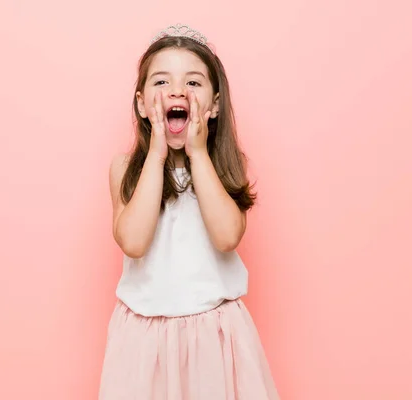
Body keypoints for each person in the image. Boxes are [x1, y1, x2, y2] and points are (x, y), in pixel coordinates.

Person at [99, 24, 279, 400]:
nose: (178, 91)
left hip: (215, 337)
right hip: (144, 343)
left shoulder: (223, 168)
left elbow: (228, 236)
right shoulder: (124, 169)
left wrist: (197, 154)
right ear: (142, 104)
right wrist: (157, 154)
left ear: (214, 105)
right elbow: (132, 241)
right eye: (162, 82)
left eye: (193, 83)